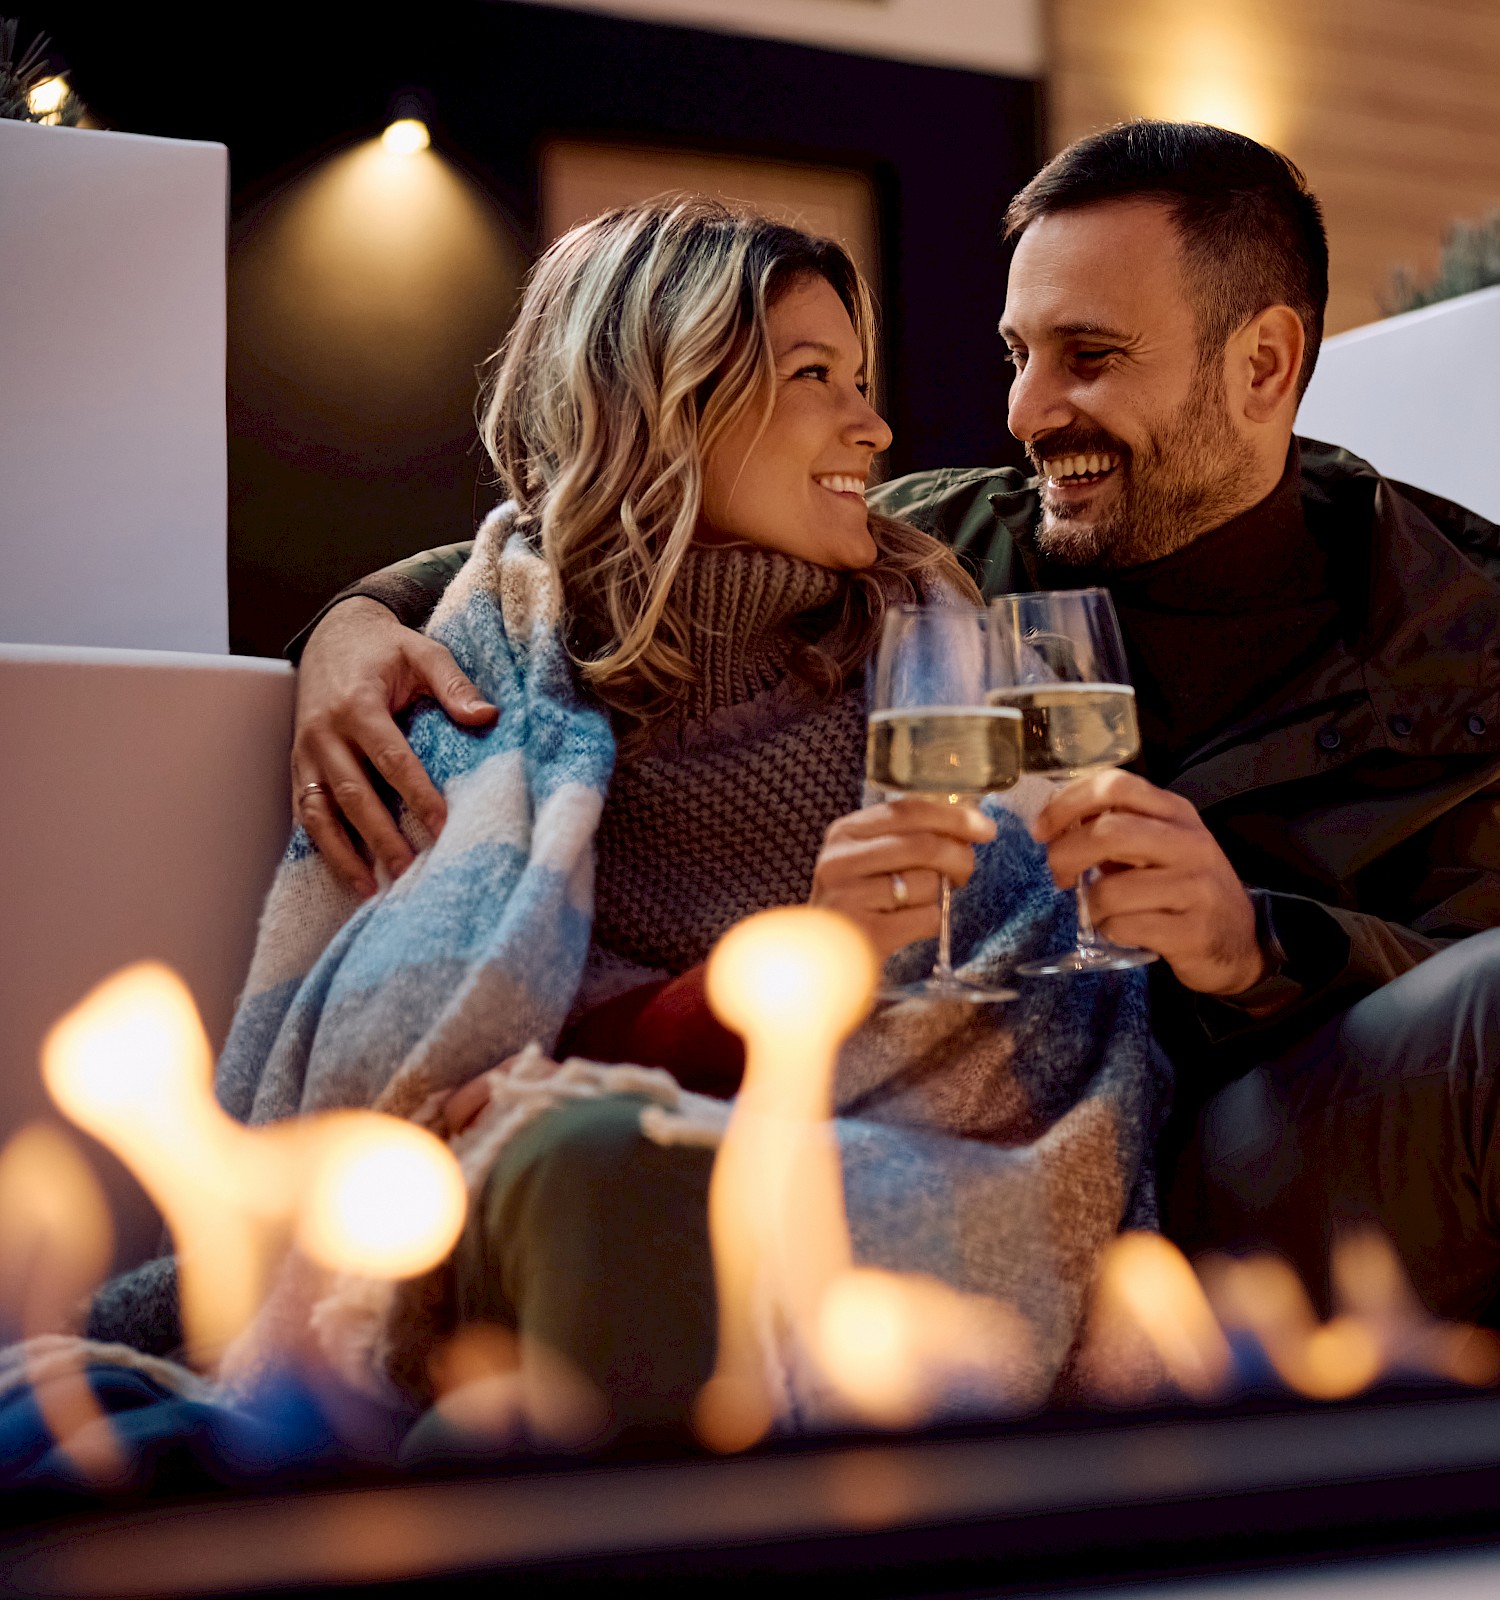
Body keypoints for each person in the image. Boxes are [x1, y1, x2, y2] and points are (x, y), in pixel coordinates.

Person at [292, 123, 1500, 1326]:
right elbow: (610, 520)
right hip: (1011, 1135)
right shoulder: (935, 552)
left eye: (1090, 355)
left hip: (1272, 1132)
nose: (1028, 411)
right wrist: (353, 622)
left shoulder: (1461, 630)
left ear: (1265, 364)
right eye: (1018, 353)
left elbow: (1463, 990)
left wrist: (1259, 949)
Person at [88, 198, 1159, 1440]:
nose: (873, 426)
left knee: (604, 1199)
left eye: (860, 380)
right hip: (567, 1199)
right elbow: (442, 1076)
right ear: (661, 399)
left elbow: (1037, 1013)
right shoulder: (491, 670)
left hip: (894, 1182)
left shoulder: (937, 646)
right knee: (594, 1171)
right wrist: (768, 984)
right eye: (814, 377)